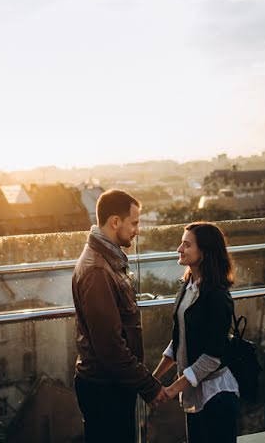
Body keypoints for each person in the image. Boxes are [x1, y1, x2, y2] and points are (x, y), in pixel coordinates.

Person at [72, 189, 165, 442]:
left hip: (109, 384)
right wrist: (149, 386)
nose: (138, 229)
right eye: (134, 223)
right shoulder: (98, 270)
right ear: (115, 222)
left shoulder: (105, 260)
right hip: (105, 389)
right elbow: (110, 347)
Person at [152, 222, 239, 443]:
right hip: (194, 392)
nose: (179, 249)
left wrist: (172, 389)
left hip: (216, 396)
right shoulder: (188, 286)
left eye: (186, 244)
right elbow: (179, 340)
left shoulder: (217, 296)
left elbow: (211, 358)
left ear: (205, 252)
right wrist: (152, 380)